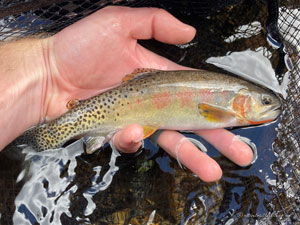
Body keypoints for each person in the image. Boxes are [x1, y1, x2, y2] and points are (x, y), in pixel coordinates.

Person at [0, 6, 253, 182]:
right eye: (263, 101)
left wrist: (45, 67)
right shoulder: (227, 108)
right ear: (242, 99)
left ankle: (35, 143)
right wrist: (46, 65)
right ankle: (43, 139)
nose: (266, 106)